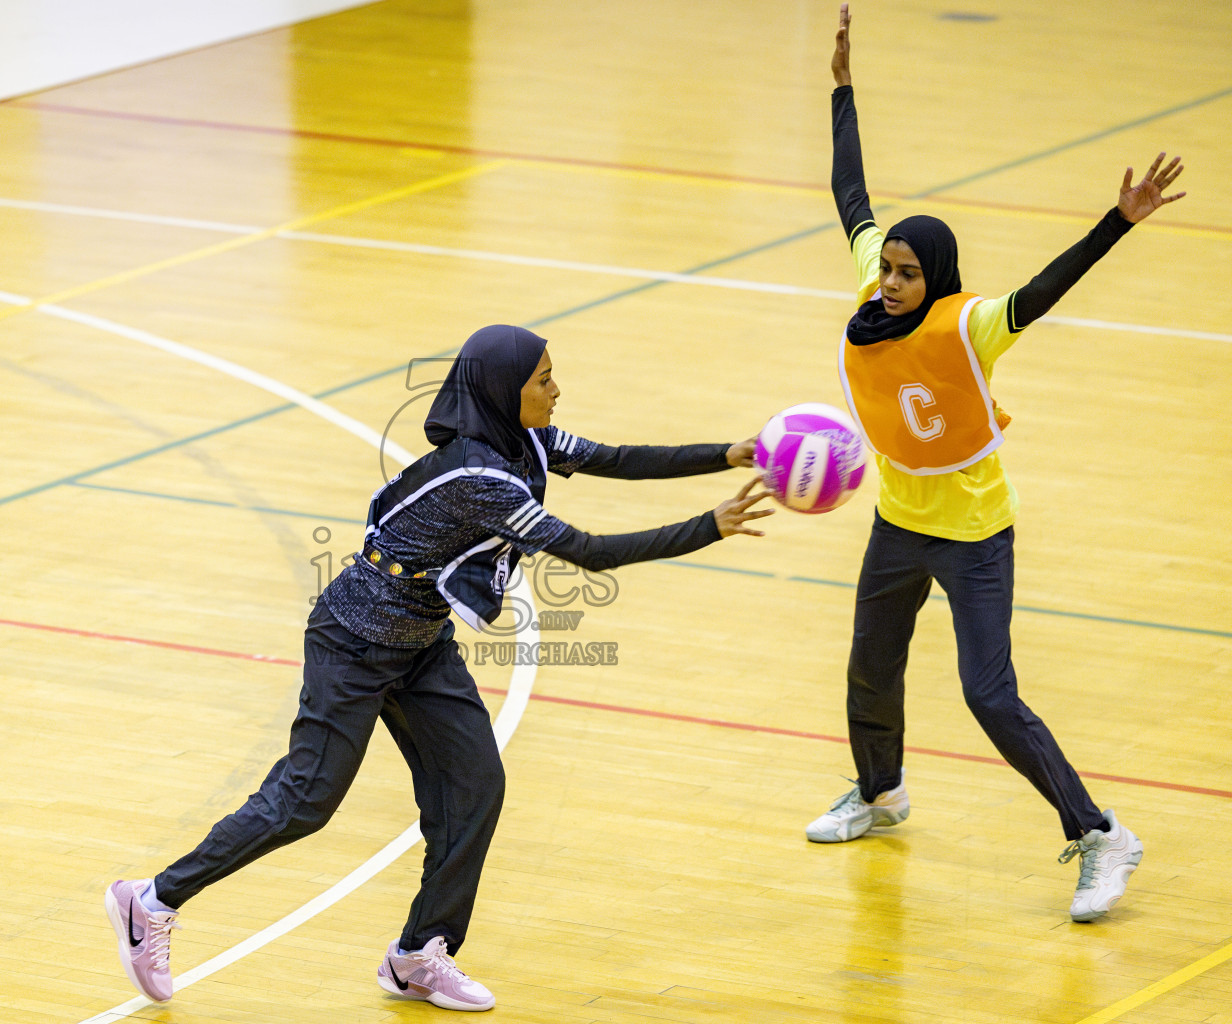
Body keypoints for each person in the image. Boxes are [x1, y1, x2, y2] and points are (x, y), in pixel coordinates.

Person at [105, 323, 774, 1010]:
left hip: (421, 643)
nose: (556, 389)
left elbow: (621, 458)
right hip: (353, 644)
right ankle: (152, 901)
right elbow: (590, 551)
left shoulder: (530, 440)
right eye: (543, 379)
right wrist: (708, 526)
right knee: (307, 801)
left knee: (476, 785)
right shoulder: (481, 479)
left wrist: (725, 454)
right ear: (500, 392)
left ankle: (419, 955)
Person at [805, 4, 1185, 924]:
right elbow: (850, 194)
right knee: (869, 667)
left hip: (974, 534)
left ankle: (1100, 834)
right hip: (899, 523)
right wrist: (842, 91)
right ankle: (881, 791)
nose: (890, 280)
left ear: (933, 276)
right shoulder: (870, 296)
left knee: (988, 692)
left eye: (904, 272)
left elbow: (1043, 291)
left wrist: (1117, 221)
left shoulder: (969, 323)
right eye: (887, 267)